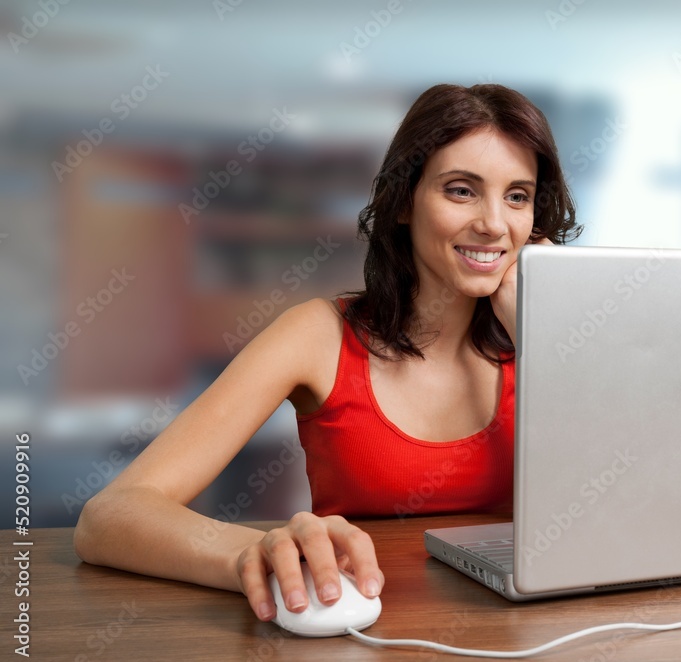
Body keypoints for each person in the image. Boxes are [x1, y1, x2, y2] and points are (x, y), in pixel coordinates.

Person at [73, 83, 581, 624]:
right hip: (359, 629)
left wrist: (543, 339)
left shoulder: (546, 340)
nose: (494, 223)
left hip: (525, 635)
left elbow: (622, 505)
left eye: (518, 196)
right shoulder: (318, 335)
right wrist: (250, 554)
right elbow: (109, 516)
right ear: (405, 200)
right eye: (461, 190)